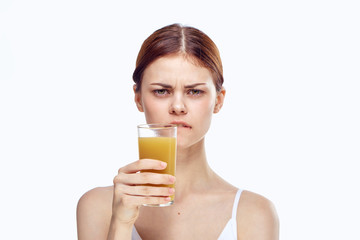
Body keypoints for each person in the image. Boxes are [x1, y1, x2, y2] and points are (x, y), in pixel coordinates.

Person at [77, 23, 279, 240]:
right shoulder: (97, 207)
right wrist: (121, 224)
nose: (178, 106)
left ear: (218, 101)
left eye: (194, 91)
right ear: (138, 99)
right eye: (162, 91)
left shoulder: (254, 214)